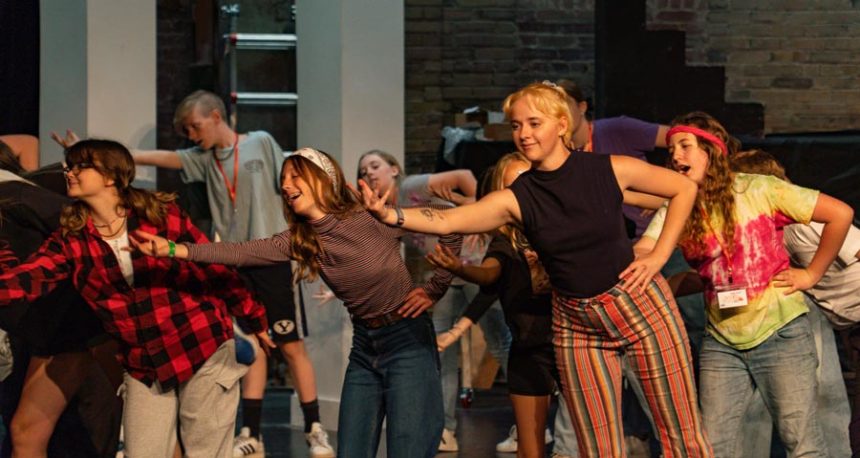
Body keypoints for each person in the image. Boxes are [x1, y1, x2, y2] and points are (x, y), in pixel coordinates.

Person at [360, 81, 711, 457]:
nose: (523, 134)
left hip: (638, 305)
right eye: (516, 126)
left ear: (562, 124)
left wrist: (658, 255)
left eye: (533, 123)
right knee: (597, 447)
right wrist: (390, 214)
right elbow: (451, 220)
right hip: (577, 323)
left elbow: (683, 189)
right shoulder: (518, 196)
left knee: (681, 435)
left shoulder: (608, 168)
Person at [52, 89, 333, 458]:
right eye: (186, 130)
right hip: (228, 255)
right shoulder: (203, 159)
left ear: (216, 116)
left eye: (195, 126)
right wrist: (96, 156)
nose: (192, 135)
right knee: (250, 340)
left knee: (286, 341)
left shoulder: (261, 142)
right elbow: (163, 159)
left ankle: (314, 426)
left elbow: (293, 177)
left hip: (267, 256)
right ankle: (251, 430)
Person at [131, 148, 463, 458]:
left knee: (409, 448)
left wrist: (436, 287)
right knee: (351, 450)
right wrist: (173, 250)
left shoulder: (372, 217)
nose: (286, 186)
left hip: (407, 341)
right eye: (283, 181)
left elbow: (450, 217)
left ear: (323, 179)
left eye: (295, 177)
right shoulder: (302, 240)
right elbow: (239, 252)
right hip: (365, 349)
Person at [0, 139, 273, 458]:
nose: (69, 173)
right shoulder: (72, 239)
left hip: (201, 346)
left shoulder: (158, 215)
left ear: (110, 176)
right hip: (145, 362)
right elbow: (20, 283)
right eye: (69, 166)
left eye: (79, 167)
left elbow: (213, 266)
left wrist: (253, 317)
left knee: (205, 452)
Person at [635, 113, 854, 457]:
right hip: (722, 341)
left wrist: (811, 273)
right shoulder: (679, 207)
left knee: (802, 441)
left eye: (685, 146)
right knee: (713, 445)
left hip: (780, 332)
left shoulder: (758, 189)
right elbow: (645, 250)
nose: (676, 156)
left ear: (712, 150)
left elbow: (839, 214)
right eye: (672, 149)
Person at [426, 151, 579, 458]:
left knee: (573, 446)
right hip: (528, 349)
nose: (521, 192)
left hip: (572, 345)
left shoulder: (565, 227)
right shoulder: (504, 241)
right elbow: (489, 278)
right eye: (510, 186)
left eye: (527, 181)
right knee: (529, 446)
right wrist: (460, 269)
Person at [357, 149, 511, 452]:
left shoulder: (415, 185)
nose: (369, 173)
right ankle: (446, 429)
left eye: (375, 166)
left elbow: (464, 177)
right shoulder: (383, 211)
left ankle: (527, 417)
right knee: (440, 348)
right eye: (363, 171)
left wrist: (482, 213)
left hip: (476, 265)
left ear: (394, 169)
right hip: (441, 277)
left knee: (499, 341)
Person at [728, 148, 853, 457]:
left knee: (818, 398)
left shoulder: (805, 222)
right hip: (821, 313)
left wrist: (811, 276)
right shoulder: (764, 232)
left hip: (834, 308)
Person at [0, 149, 122, 457]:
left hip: (96, 321)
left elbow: (93, 226)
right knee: (26, 432)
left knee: (146, 418)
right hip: (58, 334)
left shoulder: (12, 194)